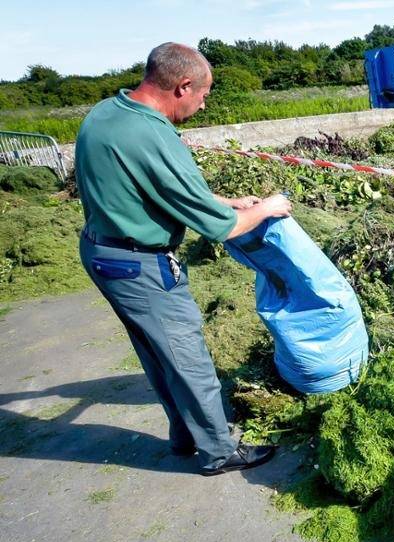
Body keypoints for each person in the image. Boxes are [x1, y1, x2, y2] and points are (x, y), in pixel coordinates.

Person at [75, 42, 291, 475]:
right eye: (204, 93)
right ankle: (218, 451)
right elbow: (220, 229)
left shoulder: (108, 113)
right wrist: (264, 209)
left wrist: (227, 199)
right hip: (139, 262)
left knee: (157, 353)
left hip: (103, 251)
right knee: (186, 355)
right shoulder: (153, 134)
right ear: (183, 85)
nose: (205, 102)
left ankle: (184, 434)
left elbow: (157, 185)